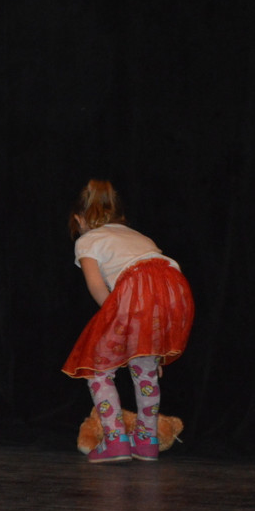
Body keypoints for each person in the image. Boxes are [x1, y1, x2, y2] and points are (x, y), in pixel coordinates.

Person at [62, 179, 195, 463]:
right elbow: (155, 288)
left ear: (79, 219)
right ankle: (147, 441)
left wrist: (111, 319)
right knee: (145, 367)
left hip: (137, 288)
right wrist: (154, 346)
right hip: (174, 289)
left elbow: (97, 286)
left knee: (96, 366)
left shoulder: (88, 240)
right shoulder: (139, 237)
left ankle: (115, 440)